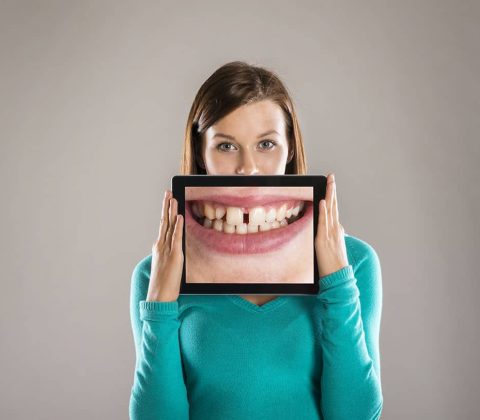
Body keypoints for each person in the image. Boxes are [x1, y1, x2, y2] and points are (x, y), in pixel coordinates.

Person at [129, 61, 383, 420]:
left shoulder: (354, 261)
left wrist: (338, 283)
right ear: (201, 154)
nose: (248, 167)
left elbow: (356, 416)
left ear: (290, 149)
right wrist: (159, 306)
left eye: (266, 144)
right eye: (226, 146)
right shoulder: (154, 275)